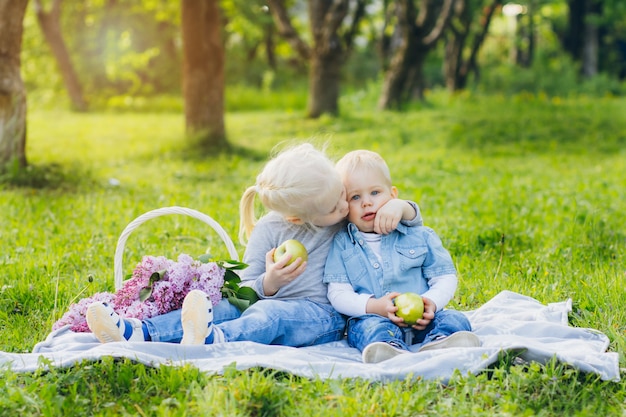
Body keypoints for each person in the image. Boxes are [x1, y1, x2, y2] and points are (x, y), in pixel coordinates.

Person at [86, 143, 421, 347]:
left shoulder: (346, 217)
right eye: (335, 205)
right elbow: (248, 288)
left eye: (343, 195)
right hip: (272, 298)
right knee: (226, 306)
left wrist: (399, 206)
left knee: (269, 314)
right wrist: (271, 281)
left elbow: (406, 220)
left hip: (323, 316)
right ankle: (138, 332)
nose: (346, 207)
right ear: (296, 219)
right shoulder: (271, 229)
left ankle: (212, 341)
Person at [323, 150, 480, 363]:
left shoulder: (419, 235)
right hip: (376, 319)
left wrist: (431, 303)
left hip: (425, 318)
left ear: (393, 195)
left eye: (375, 192)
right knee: (366, 327)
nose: (367, 202)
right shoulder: (342, 244)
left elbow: (445, 277)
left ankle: (442, 340)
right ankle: (388, 349)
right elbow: (338, 293)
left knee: (453, 318)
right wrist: (373, 307)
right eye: (355, 197)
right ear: (344, 206)